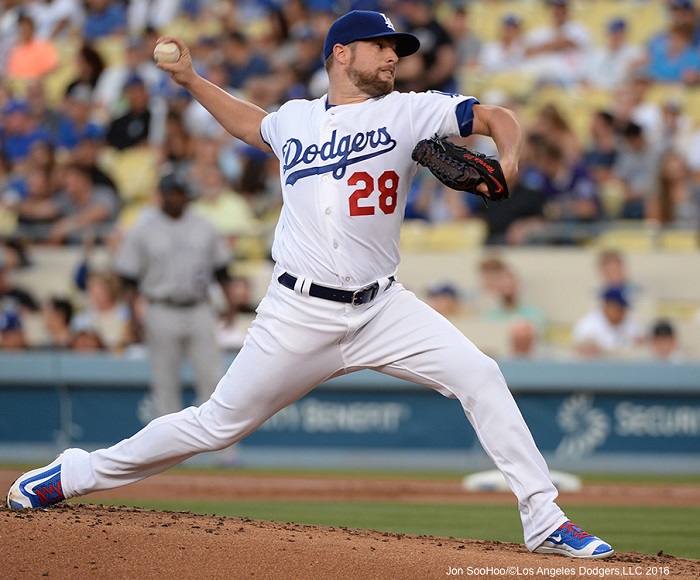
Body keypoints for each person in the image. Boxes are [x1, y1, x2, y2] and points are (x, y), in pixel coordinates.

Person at [6, 10, 613, 560]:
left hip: (382, 307)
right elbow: (252, 125)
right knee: (215, 425)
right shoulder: (295, 119)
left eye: (396, 50)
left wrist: (505, 163)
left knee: (480, 374)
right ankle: (75, 472)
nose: (393, 58)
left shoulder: (408, 108)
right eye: (381, 48)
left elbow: (497, 117)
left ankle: (544, 518)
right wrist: (191, 80)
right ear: (341, 54)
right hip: (297, 310)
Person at [112, 171, 235, 418]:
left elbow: (222, 270)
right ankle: (168, 454)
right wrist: (132, 318)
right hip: (161, 307)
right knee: (165, 382)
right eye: (173, 193)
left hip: (199, 307)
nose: (179, 198)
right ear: (162, 195)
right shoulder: (143, 230)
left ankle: (222, 450)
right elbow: (129, 279)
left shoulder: (204, 225)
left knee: (213, 378)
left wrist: (230, 305)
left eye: (182, 193)